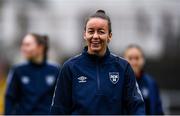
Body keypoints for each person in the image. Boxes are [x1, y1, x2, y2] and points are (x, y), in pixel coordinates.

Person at [50, 10, 145, 115]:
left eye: (101, 31)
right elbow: (58, 109)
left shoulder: (123, 67)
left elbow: (136, 105)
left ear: (109, 36)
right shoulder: (70, 67)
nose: (95, 36)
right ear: (84, 35)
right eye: (91, 31)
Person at [5, 33, 60, 114]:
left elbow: (62, 99)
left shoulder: (56, 70)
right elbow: (10, 98)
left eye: (27, 45)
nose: (23, 48)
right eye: (22, 45)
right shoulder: (18, 70)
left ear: (40, 47)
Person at [123, 44, 164, 115]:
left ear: (143, 60)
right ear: (123, 60)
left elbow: (158, 111)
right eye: (130, 58)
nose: (134, 62)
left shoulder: (151, 83)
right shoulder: (117, 83)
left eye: (137, 58)